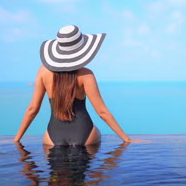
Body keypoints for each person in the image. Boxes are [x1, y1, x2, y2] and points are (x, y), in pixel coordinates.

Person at [13, 25, 144, 145]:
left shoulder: (43, 71)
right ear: (81, 50)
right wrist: (126, 139)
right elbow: (102, 112)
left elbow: (32, 109)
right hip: (85, 134)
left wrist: (16, 140)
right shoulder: (86, 75)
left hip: (52, 135)